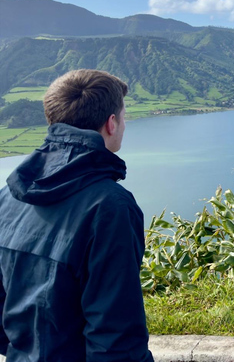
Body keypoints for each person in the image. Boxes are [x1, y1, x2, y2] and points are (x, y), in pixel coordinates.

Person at [0, 69, 153, 361]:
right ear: (111, 123)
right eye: (124, 115)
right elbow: (116, 336)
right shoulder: (109, 208)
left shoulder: (8, 196)